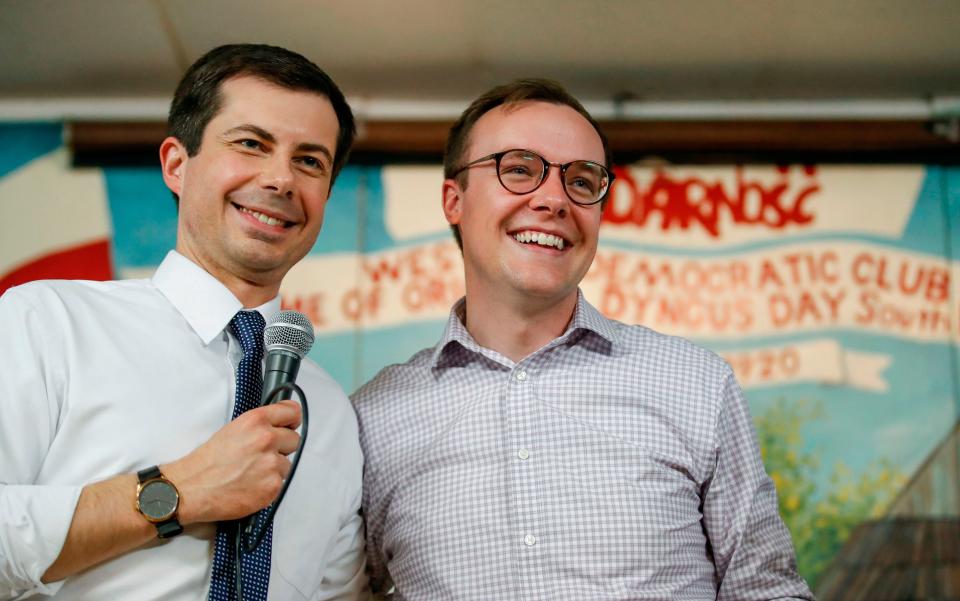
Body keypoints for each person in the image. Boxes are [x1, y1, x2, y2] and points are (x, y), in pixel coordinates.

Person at [352, 79, 814, 600]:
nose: (553, 199)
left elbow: (767, 590)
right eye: (519, 169)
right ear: (453, 200)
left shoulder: (697, 385)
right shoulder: (372, 420)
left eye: (581, 180)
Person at [0, 44, 366, 599]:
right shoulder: (48, 324)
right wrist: (176, 491)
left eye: (310, 161)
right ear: (177, 163)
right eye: (251, 144)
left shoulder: (332, 414)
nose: (281, 180)